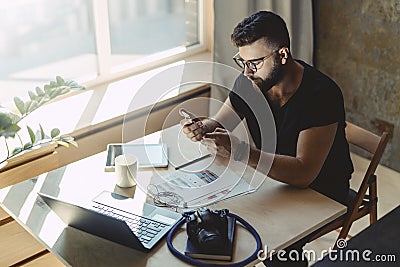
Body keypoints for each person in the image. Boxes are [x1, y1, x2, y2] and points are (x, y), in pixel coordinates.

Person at [182, 11, 354, 266]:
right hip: (273, 179)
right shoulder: (252, 82)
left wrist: (240, 152)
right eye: (242, 62)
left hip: (322, 191)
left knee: (271, 242)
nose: (247, 71)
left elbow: (304, 173)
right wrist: (202, 128)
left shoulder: (321, 95)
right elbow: (220, 122)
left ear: (282, 55)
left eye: (255, 62)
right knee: (216, 217)